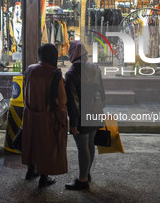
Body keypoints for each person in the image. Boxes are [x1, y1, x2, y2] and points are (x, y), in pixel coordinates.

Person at [21, 43, 68, 188]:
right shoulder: (55, 75)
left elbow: (24, 91)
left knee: (32, 143)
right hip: (47, 117)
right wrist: (63, 120)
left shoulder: (29, 69)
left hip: (29, 115)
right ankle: (44, 177)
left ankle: (30, 170)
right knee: (46, 146)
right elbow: (61, 102)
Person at [65, 41, 106, 190]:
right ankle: (87, 174)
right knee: (90, 145)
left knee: (83, 148)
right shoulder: (95, 68)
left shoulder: (71, 74)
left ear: (73, 53)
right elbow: (102, 93)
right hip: (95, 112)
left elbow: (73, 102)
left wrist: (74, 123)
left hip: (81, 117)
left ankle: (82, 180)